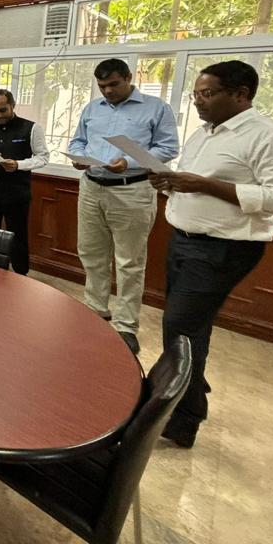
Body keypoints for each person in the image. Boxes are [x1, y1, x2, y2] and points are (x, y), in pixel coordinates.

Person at [150, 61, 273, 447]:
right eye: (195, 95)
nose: (198, 102)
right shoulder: (202, 134)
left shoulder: (272, 136)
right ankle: (191, 396)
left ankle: (179, 417)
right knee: (191, 329)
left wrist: (206, 185)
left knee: (179, 328)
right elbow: (193, 185)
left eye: (207, 94)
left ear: (240, 94)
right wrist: (170, 183)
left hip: (225, 247)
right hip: (183, 239)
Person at [68, 58, 179, 355]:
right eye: (102, 86)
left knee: (129, 262)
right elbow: (78, 141)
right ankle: (96, 310)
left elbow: (168, 148)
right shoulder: (92, 109)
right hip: (92, 187)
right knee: (91, 253)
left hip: (132, 190)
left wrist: (127, 162)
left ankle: (126, 325)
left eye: (113, 84)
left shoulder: (156, 108)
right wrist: (77, 156)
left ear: (129, 77)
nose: (107, 91)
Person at [0, 89, 49, 275]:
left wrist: (18, 165)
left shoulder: (32, 128)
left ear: (13, 106)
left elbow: (43, 157)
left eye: (3, 110)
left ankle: (20, 275)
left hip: (16, 192)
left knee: (18, 236)